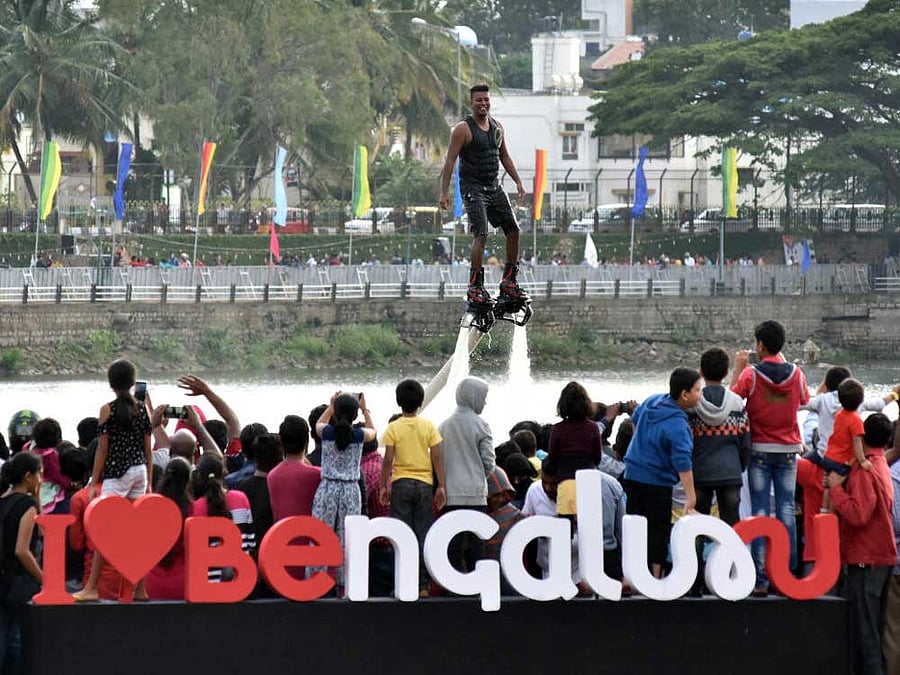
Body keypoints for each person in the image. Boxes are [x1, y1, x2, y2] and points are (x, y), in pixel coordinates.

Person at [732, 319, 809, 596]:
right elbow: (803, 400)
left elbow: (731, 401)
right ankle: (786, 574)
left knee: (760, 511)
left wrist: (738, 369)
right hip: (789, 451)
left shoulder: (751, 375)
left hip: (760, 451)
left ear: (760, 345)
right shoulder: (797, 374)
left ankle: (761, 578)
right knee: (787, 510)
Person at [439, 83, 529, 308]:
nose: (483, 104)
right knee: (481, 234)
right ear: (472, 103)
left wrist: (518, 181)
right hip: (473, 188)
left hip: (493, 186)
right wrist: (444, 193)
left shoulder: (497, 127)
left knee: (513, 229)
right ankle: (475, 286)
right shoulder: (463, 129)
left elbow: (505, 156)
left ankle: (509, 281)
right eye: (479, 100)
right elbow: (450, 160)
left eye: (486, 100)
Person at [74, 359, 153, 602]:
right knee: (139, 533)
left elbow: (102, 450)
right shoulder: (143, 409)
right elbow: (147, 449)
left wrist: (93, 482)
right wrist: (149, 481)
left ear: (111, 383)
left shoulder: (106, 410)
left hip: (117, 474)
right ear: (132, 381)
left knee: (103, 530)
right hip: (139, 470)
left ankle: (91, 587)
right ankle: (139, 589)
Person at [826, 413, 897, 675]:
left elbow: (859, 515)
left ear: (861, 436)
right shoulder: (880, 465)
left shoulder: (865, 470)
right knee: (874, 627)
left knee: (865, 629)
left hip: (866, 559)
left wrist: (836, 489)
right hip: (880, 557)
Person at [623, 367, 702, 579]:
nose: (700, 395)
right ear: (684, 394)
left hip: (632, 472)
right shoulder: (677, 425)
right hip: (657, 480)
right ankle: (655, 576)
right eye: (698, 390)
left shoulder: (653, 400)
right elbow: (683, 462)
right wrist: (691, 496)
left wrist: (640, 444)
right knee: (658, 529)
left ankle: (629, 576)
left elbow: (636, 417)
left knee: (634, 524)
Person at [380, 379, 445, 597]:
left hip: (401, 483)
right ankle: (423, 585)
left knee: (401, 534)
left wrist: (383, 486)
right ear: (420, 402)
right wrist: (441, 486)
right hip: (425, 484)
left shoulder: (393, 427)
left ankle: (402, 581)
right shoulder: (428, 426)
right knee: (423, 533)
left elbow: (388, 460)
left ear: (399, 402)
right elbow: (436, 457)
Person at [312, 392, 376, 591]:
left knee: (320, 537)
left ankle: (314, 581)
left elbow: (317, 426)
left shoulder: (328, 434)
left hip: (328, 488)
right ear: (355, 415)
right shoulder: (358, 436)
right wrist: (365, 411)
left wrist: (330, 408)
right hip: (350, 490)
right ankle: (345, 586)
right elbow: (373, 431)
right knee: (347, 540)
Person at [687, 348, 751, 525]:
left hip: (700, 472)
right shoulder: (736, 403)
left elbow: (686, 439)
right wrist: (740, 466)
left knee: (698, 526)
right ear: (726, 372)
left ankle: (697, 554)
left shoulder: (693, 404)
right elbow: (745, 441)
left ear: (700, 372)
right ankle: (732, 554)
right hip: (730, 471)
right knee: (732, 527)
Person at [438, 377, 495, 574]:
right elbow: (489, 462)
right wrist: (478, 478)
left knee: (452, 543)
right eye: (483, 397)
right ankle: (476, 584)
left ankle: (452, 587)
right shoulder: (481, 425)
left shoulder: (443, 426)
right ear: (473, 397)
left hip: (450, 495)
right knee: (476, 544)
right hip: (476, 495)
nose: (485, 402)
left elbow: (437, 460)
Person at [0, 453, 42, 674]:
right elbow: (22, 549)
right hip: (19, 583)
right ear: (28, 476)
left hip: (2, 580)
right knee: (16, 642)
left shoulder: (3, 500)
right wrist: (43, 578)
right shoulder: (27, 505)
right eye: (39, 474)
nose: (41, 480)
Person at [145, 457, 192, 600]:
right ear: (188, 480)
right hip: (184, 585)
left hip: (150, 584)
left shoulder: (150, 508)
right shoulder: (193, 510)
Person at [820, 378, 870, 513]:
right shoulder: (856, 421)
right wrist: (863, 460)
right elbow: (857, 442)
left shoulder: (839, 414)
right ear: (861, 400)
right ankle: (832, 515)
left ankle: (823, 511)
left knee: (828, 486)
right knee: (837, 489)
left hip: (828, 456)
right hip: (841, 461)